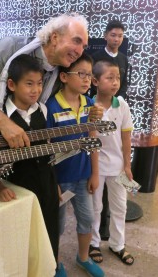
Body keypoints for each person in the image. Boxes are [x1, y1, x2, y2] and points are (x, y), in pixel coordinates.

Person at [0, 13, 103, 147]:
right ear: (54, 38)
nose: (80, 51)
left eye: (84, 46)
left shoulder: (61, 71)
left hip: (21, 140)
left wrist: (91, 110)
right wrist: (3, 122)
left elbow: (69, 99)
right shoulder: (10, 47)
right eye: (76, 41)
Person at [0, 54, 63, 276]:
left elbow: (48, 148)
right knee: (21, 239)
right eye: (29, 84)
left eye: (40, 83)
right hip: (18, 188)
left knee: (49, 232)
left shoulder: (42, 109)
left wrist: (55, 182)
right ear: (12, 85)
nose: (36, 90)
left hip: (47, 185)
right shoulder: (0, 116)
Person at [46, 52, 104, 277]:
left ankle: (83, 258)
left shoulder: (90, 105)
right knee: (57, 225)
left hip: (83, 176)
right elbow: (48, 148)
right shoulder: (51, 107)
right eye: (81, 74)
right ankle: (56, 262)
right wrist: (53, 182)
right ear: (63, 77)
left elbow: (93, 139)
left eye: (89, 75)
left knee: (87, 218)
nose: (86, 79)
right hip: (60, 180)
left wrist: (95, 173)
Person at [89, 60, 135, 265]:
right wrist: (94, 172)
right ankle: (93, 243)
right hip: (96, 167)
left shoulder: (122, 105)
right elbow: (90, 141)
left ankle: (118, 245)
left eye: (117, 78)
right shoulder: (89, 107)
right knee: (95, 207)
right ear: (95, 81)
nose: (115, 82)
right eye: (110, 78)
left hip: (118, 168)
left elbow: (126, 137)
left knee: (120, 207)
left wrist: (127, 165)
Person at [91, 20, 129, 99]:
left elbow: (124, 82)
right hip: (98, 101)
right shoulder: (95, 57)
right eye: (113, 35)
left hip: (117, 103)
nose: (116, 39)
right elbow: (91, 82)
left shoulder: (124, 59)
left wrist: (120, 98)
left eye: (120, 36)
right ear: (105, 36)